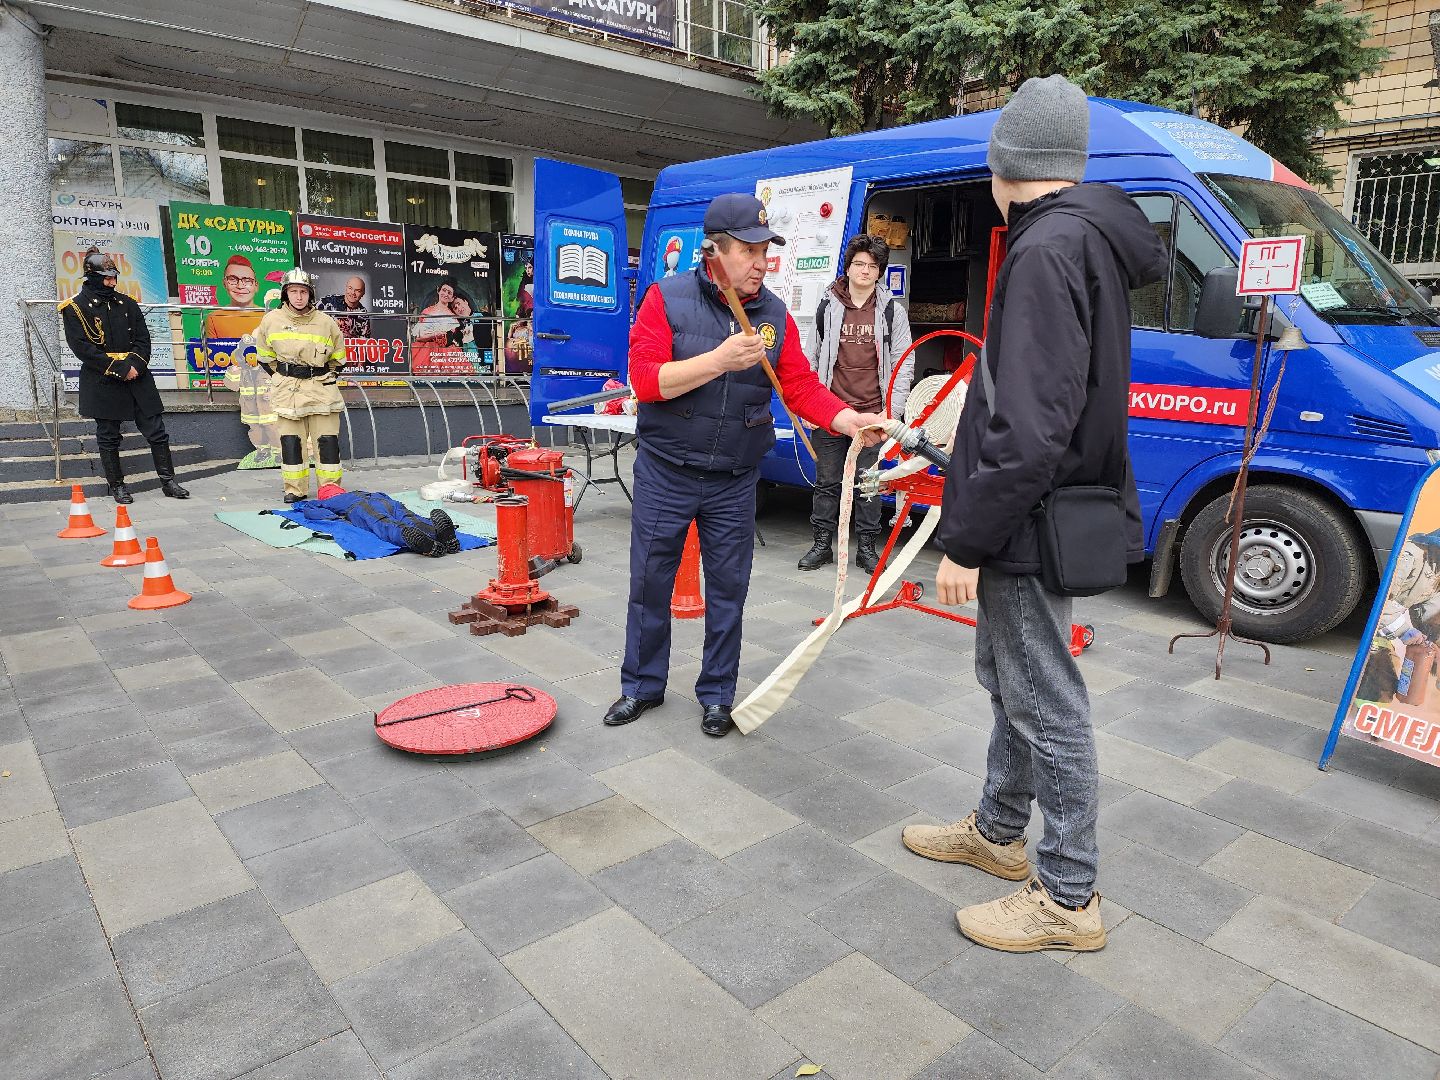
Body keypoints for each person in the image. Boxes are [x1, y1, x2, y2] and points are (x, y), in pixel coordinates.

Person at [902, 75, 1166, 952]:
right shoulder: (1078, 236)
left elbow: (1032, 421)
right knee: (1012, 683)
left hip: (1023, 517)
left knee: (1047, 701)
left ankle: (1067, 896)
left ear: (1007, 160)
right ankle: (1000, 832)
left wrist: (966, 538)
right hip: (1037, 508)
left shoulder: (1050, 248)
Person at [602, 193, 886, 738]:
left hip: (735, 478)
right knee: (650, 581)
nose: (762, 262)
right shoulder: (666, 297)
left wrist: (847, 418)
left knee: (730, 587)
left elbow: (800, 383)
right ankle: (640, 685)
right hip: (667, 469)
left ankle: (717, 693)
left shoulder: (775, 313)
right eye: (750, 251)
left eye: (766, 250)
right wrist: (718, 360)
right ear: (715, 251)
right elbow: (644, 382)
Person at [799, 234, 914, 574]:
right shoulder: (827, 307)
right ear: (848, 268)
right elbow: (811, 358)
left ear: (879, 273)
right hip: (832, 413)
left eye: (872, 266)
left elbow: (904, 362)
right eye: (859, 264)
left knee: (869, 483)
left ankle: (866, 548)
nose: (865, 270)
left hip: (874, 415)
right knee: (828, 482)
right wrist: (812, 408)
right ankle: (821, 545)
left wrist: (889, 414)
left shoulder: (893, 311)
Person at [60, 249, 189, 504]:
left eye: (113, 277)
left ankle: (168, 481)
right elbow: (83, 349)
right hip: (104, 379)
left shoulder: (126, 303)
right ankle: (117, 486)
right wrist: (120, 369)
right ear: (92, 276)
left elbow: (143, 339)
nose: (112, 282)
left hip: (137, 376)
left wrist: (135, 366)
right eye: (107, 278)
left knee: (157, 431)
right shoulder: (75, 308)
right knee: (108, 435)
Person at [254, 269, 348, 503]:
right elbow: (265, 357)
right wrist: (283, 377)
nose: (299, 297)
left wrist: (324, 376)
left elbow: (338, 358)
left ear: (310, 294)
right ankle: (294, 489)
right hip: (288, 391)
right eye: (293, 291)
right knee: (291, 443)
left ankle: (330, 490)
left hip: (321, 389)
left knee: (327, 443)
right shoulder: (271, 321)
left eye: (303, 292)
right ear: (285, 294)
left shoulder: (326, 322)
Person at [204, 255, 279, 469]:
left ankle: (277, 453)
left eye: (246, 280)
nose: (240, 285)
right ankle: (263, 453)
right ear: (225, 283)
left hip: (270, 405)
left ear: (256, 286)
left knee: (274, 427)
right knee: (255, 429)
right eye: (233, 279)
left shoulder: (269, 319)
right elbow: (231, 381)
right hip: (250, 410)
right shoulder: (214, 318)